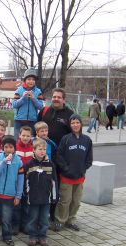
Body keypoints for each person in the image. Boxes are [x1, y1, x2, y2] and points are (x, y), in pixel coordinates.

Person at [38, 88, 73, 223]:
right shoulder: (45, 111)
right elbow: (36, 127)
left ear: (64, 99)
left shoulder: (69, 114)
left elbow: (72, 134)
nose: (55, 99)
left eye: (58, 97)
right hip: (42, 155)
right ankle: (40, 213)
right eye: (54, 96)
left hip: (59, 157)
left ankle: (53, 214)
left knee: (55, 185)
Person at [54, 114, 93, 232]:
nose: (75, 125)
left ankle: (71, 220)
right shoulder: (66, 139)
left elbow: (89, 159)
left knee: (76, 201)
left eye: (77, 122)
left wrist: (83, 169)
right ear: (70, 125)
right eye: (73, 123)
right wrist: (66, 169)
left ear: (81, 124)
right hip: (66, 177)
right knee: (65, 200)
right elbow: (59, 156)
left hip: (79, 177)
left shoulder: (87, 140)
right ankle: (60, 220)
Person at [0, 135, 24, 246]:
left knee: (6, 218)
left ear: (14, 148)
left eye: (11, 147)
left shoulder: (18, 161)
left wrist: (18, 196)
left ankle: (7, 236)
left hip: (9, 196)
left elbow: (20, 181)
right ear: (3, 148)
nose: (8, 149)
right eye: (6, 147)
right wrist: (3, 161)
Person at [24, 138, 58, 246]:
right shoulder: (29, 164)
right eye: (40, 149)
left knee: (44, 219)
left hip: (45, 198)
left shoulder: (50, 164)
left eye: (44, 149)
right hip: (33, 197)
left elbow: (54, 181)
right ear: (34, 150)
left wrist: (54, 196)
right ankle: (33, 236)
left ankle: (43, 236)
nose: (42, 151)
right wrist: (26, 194)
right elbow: (25, 181)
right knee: (32, 218)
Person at [12, 68, 44, 138]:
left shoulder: (38, 92)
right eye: (29, 79)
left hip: (32, 121)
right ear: (25, 80)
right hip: (19, 121)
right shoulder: (19, 90)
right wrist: (23, 98)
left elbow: (41, 107)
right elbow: (14, 105)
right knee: (17, 141)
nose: (31, 81)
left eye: (33, 79)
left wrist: (33, 98)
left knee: (31, 141)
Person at [13, 126, 33, 234]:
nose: (25, 138)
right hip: (17, 179)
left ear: (31, 137)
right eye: (23, 135)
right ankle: (15, 225)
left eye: (28, 136)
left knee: (27, 204)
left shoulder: (33, 148)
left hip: (29, 180)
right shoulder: (15, 147)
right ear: (19, 135)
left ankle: (25, 225)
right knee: (16, 203)